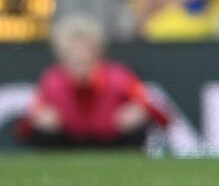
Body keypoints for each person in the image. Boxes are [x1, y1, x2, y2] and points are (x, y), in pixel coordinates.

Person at [19, 13, 168, 148]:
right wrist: (41, 116)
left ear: (97, 51)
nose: (79, 56)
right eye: (72, 51)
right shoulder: (51, 80)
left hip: (113, 143)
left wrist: (138, 111)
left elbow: (157, 113)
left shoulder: (119, 76)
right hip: (67, 144)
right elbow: (26, 126)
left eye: (85, 49)